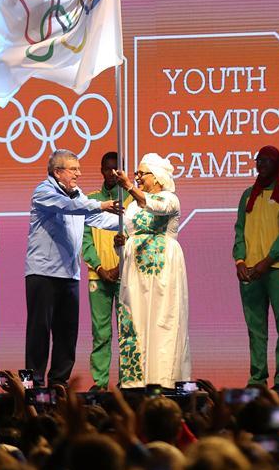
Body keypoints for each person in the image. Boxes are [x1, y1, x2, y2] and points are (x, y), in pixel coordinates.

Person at [24, 149, 123, 388]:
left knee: (67, 333)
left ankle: (59, 382)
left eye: (78, 168)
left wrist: (132, 220)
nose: (79, 173)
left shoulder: (77, 195)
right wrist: (102, 204)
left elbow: (97, 219)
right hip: (43, 273)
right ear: (58, 172)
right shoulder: (44, 192)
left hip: (69, 275)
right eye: (73, 169)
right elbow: (68, 207)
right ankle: (32, 385)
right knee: (39, 331)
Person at [114, 154, 190, 388]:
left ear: (157, 178)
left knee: (161, 320)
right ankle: (136, 380)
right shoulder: (132, 207)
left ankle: (163, 380)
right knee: (135, 319)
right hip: (135, 272)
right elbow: (130, 236)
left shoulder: (169, 199)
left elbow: (155, 206)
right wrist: (120, 245)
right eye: (135, 175)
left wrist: (128, 186)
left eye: (141, 174)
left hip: (162, 269)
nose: (136, 177)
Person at [232, 145, 279, 391]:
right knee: (256, 328)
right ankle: (257, 378)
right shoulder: (248, 194)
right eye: (258, 160)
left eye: (267, 161)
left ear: (278, 164)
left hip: (278, 268)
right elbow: (239, 230)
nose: (261, 164)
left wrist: (266, 262)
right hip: (250, 270)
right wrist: (240, 260)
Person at [81, 151, 130, 391]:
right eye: (106, 169)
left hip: (126, 275)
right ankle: (100, 382)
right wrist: (99, 268)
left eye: (115, 169)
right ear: (101, 170)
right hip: (97, 277)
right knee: (100, 333)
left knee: (126, 331)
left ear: (122, 170)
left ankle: (126, 380)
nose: (110, 173)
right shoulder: (91, 201)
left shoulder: (131, 200)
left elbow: (136, 237)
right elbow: (84, 239)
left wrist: (120, 267)